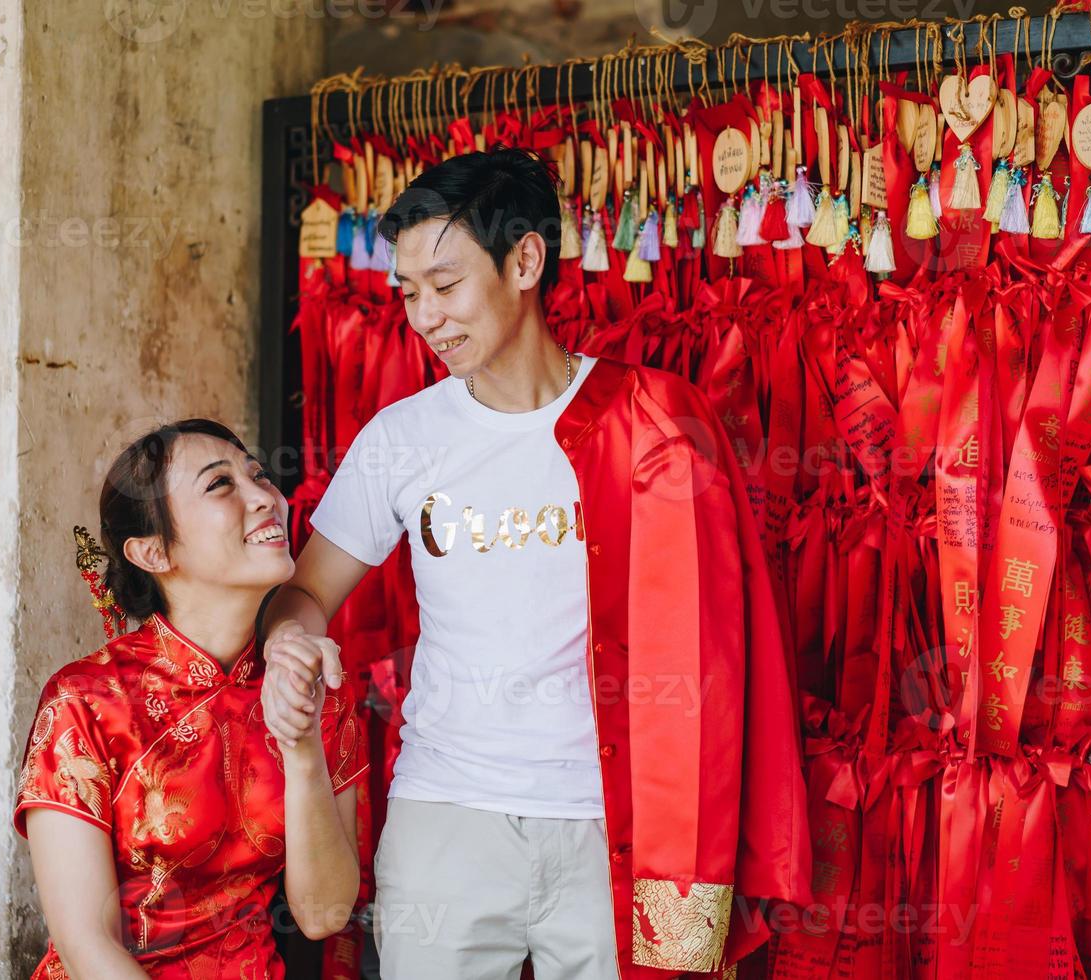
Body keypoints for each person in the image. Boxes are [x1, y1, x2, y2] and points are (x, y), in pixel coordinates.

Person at [260, 148, 811, 979]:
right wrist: (287, 644)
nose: (424, 317)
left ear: (524, 261)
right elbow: (306, 589)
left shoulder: (656, 426)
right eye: (409, 293)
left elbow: (730, 647)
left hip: (616, 823)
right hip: (447, 812)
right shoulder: (401, 441)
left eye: (445, 286)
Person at [14, 419, 367, 979]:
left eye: (258, 475)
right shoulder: (86, 701)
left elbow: (324, 915)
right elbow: (85, 943)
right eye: (220, 485)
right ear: (153, 552)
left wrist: (302, 751)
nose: (266, 497)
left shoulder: (316, 688)